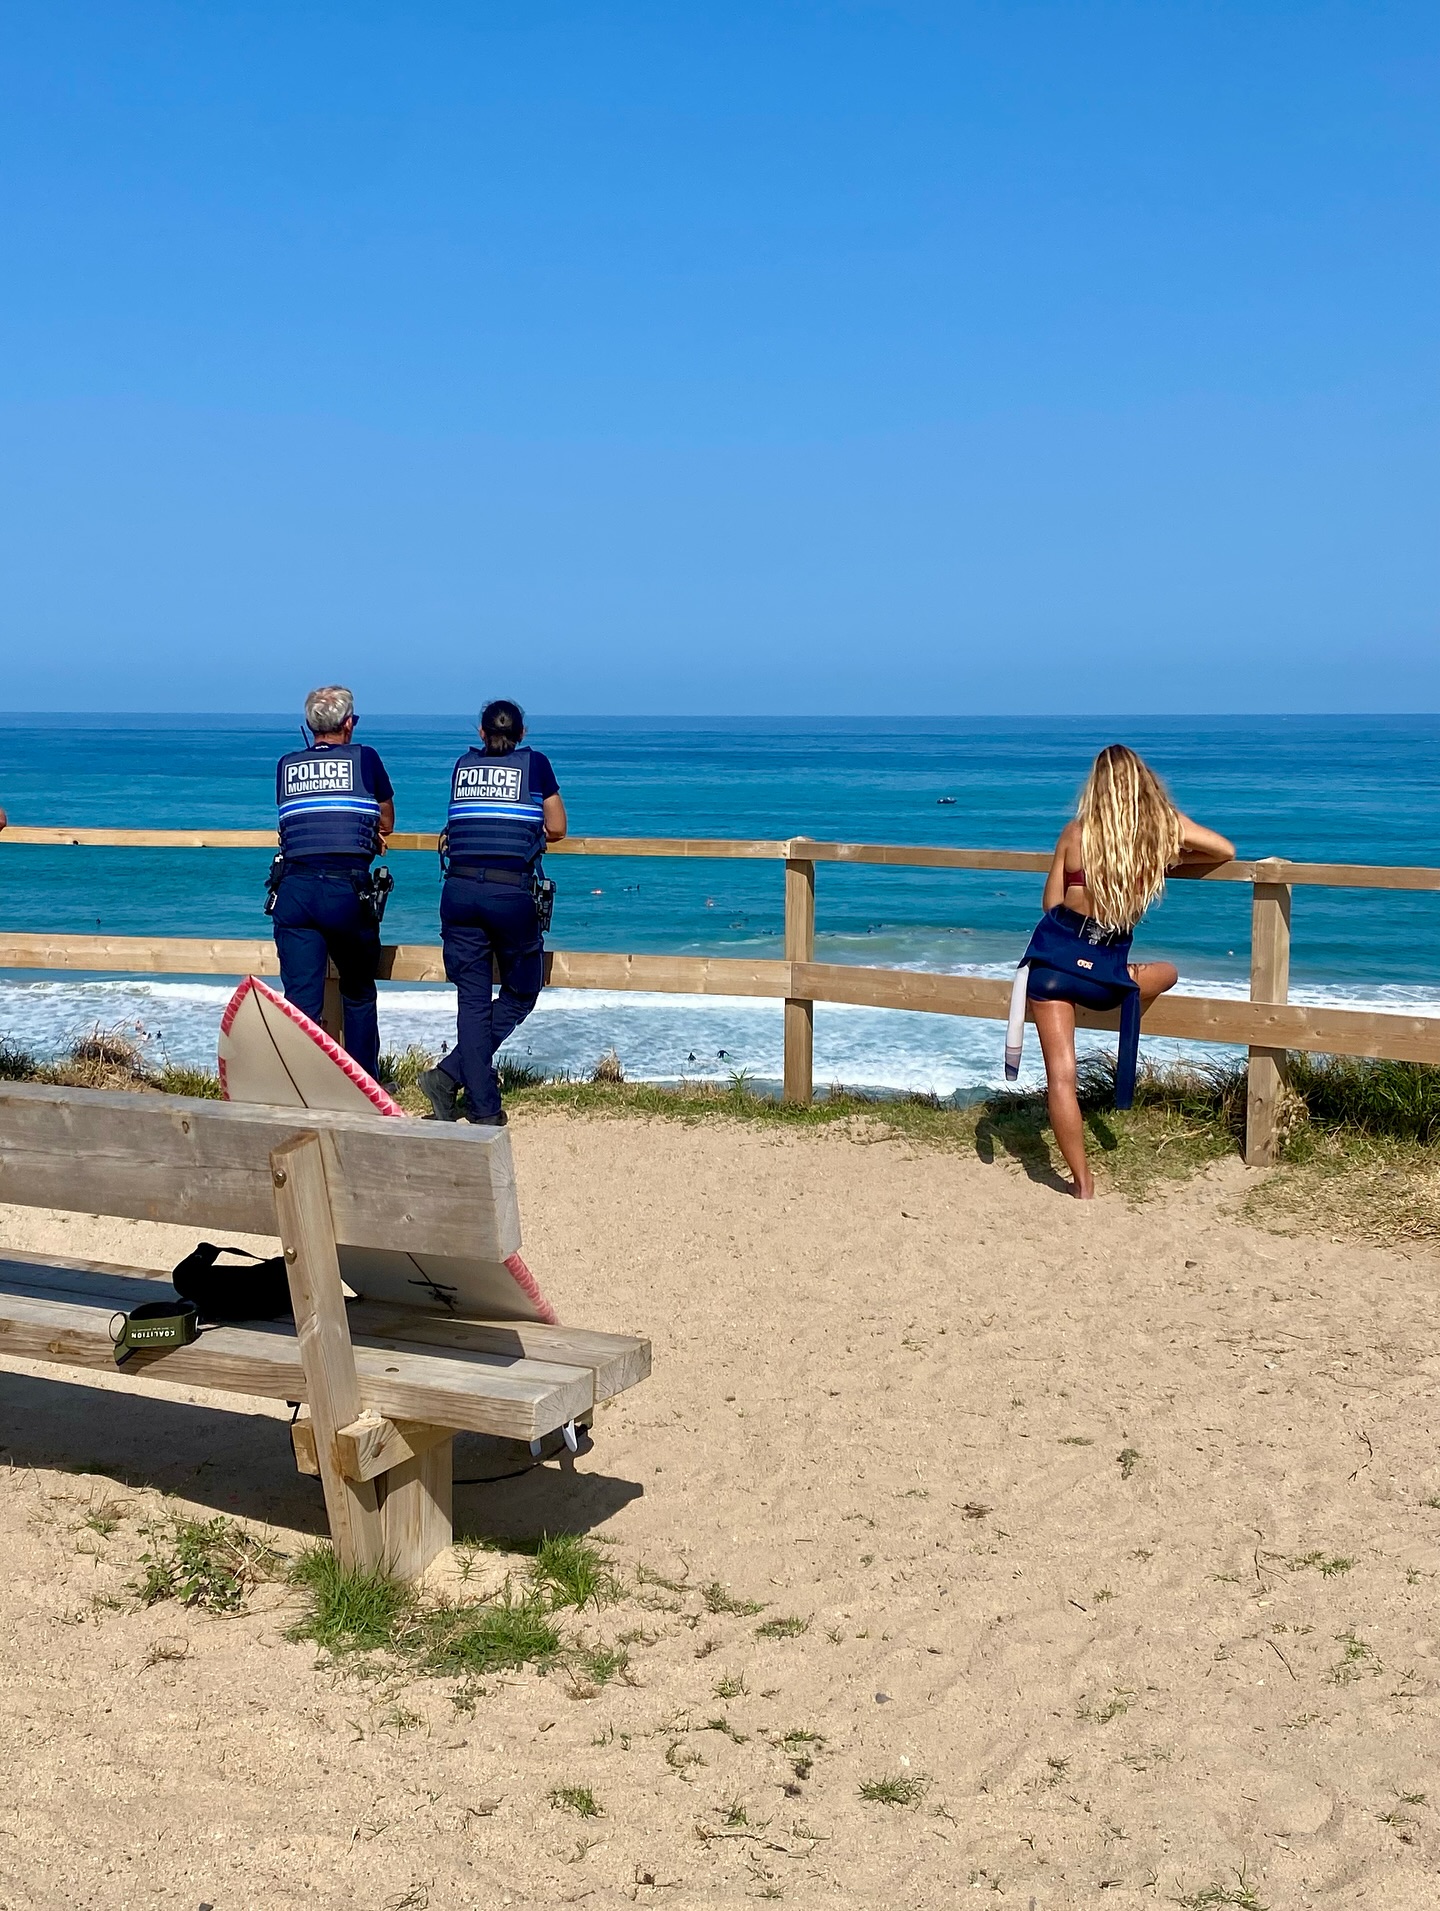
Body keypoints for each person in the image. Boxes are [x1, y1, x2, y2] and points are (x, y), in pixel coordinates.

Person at [1007, 744, 1234, 1200]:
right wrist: (1162, 858)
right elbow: (1224, 851)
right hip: (1107, 974)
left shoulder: (1074, 834)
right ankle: (1121, 993)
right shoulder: (1156, 835)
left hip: (1050, 969)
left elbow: (1050, 905)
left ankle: (1083, 1184)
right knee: (1166, 971)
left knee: (1061, 1078)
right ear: (1142, 785)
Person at [419, 700, 566, 1126]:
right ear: (524, 733)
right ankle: (453, 1081)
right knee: (522, 990)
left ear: (481, 733)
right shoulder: (534, 764)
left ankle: (468, 1095)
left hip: (458, 891)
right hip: (508, 894)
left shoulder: (463, 767)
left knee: (472, 1001)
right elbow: (557, 828)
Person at [270, 685, 394, 1079]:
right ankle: (362, 1080)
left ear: (309, 725)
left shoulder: (287, 764)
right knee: (357, 991)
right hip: (346, 891)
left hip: (294, 889)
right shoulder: (365, 759)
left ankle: (304, 1083)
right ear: (349, 724)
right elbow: (387, 821)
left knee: (302, 1002)